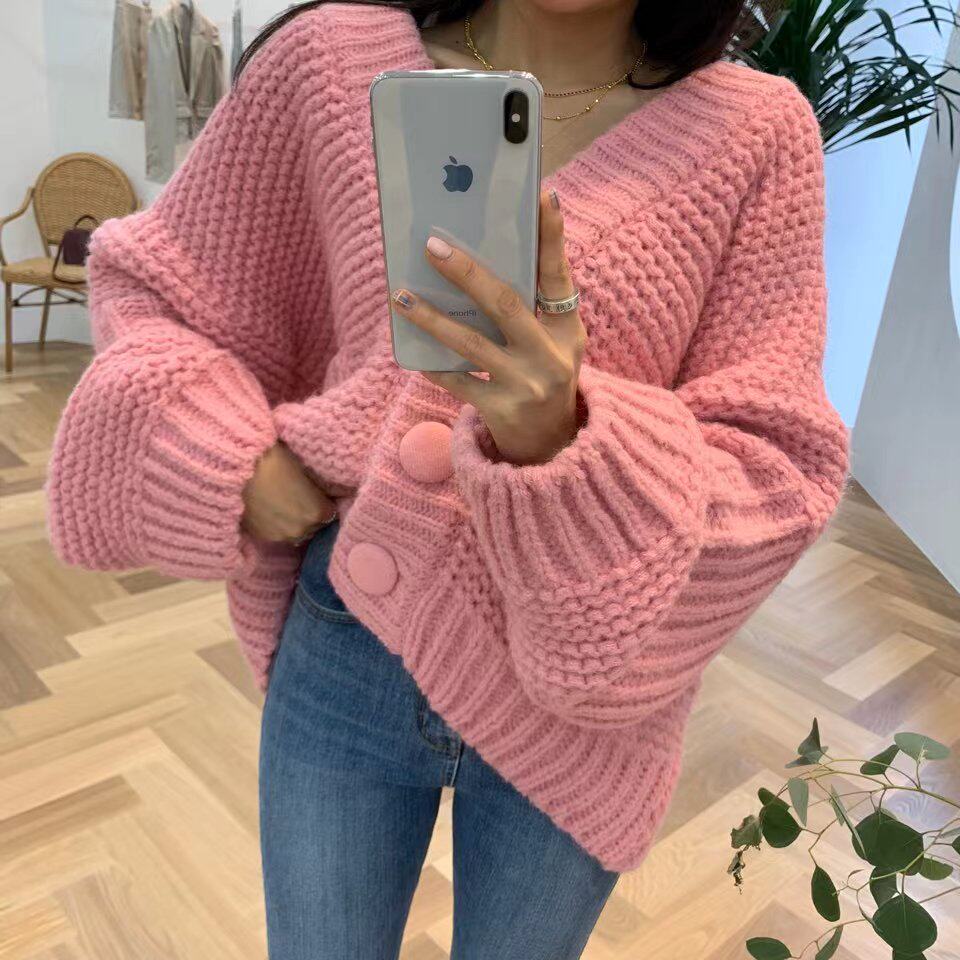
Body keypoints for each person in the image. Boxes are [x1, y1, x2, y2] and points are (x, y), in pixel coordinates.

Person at [45, 1, 850, 957]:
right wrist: (232, 455)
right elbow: (160, 289)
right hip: (350, 643)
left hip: (586, 705)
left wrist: (562, 437)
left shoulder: (756, 132)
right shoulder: (328, 63)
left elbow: (775, 459)